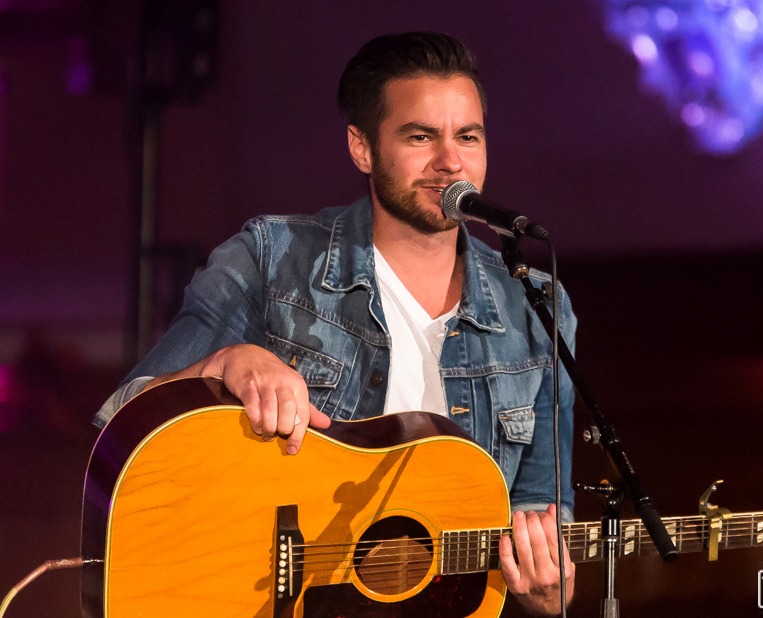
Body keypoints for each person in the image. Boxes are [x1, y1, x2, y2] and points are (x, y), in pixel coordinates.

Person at [95, 31, 577, 615]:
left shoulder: (536, 307)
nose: (451, 162)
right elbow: (119, 422)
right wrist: (222, 363)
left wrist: (550, 589)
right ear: (362, 148)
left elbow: (543, 523)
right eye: (420, 136)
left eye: (468, 136)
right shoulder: (271, 259)